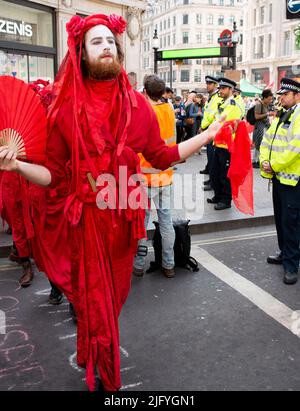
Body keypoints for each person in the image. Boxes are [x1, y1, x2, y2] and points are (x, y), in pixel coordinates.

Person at [0, 14, 223, 391]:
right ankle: (107, 377)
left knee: (110, 303)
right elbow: (53, 175)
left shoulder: (137, 106)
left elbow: (162, 156)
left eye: (109, 41)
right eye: (95, 42)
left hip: (124, 222)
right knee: (99, 305)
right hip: (86, 223)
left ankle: (92, 347)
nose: (105, 46)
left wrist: (208, 135)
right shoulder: (63, 111)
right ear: (82, 54)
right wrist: (18, 165)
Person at [133, 75, 176, 278]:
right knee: (166, 223)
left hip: (145, 178)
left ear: (145, 91)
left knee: (142, 225)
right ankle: (169, 264)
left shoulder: (144, 111)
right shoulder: (169, 110)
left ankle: (139, 264)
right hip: (165, 175)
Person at [260, 77, 300, 286]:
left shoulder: (299, 116)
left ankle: (292, 265)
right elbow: (267, 141)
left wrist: (273, 165)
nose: (281, 98)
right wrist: (265, 161)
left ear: (297, 96)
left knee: (291, 223)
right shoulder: (282, 115)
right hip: (278, 177)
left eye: (285, 95)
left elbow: (295, 149)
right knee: (281, 220)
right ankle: (285, 253)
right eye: (281, 95)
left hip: (293, 181)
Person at [208, 77, 244, 211]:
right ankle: (218, 195)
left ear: (231, 89)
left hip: (227, 145)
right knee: (215, 173)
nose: (220, 91)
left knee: (224, 174)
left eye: (223, 88)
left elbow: (225, 125)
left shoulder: (233, 104)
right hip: (219, 143)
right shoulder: (224, 103)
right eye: (220, 88)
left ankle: (226, 199)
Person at [0, 171, 34, 287]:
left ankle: (17, 250)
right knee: (17, 225)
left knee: (33, 220)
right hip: (11, 182)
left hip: (32, 176)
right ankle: (26, 263)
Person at [200, 76, 223, 193]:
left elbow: (214, 115)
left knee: (213, 158)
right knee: (210, 157)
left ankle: (214, 182)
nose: (207, 85)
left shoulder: (217, 97)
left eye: (210, 83)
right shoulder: (212, 97)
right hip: (207, 129)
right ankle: (211, 180)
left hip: (212, 131)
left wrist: (204, 126)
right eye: (207, 83)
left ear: (215, 85)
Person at [252, 89, 275, 168]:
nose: (270, 101)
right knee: (258, 143)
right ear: (265, 98)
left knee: (262, 143)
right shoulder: (259, 104)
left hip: (264, 126)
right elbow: (256, 116)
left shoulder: (266, 105)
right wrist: (268, 114)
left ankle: (258, 160)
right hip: (259, 126)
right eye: (269, 99)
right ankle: (255, 161)